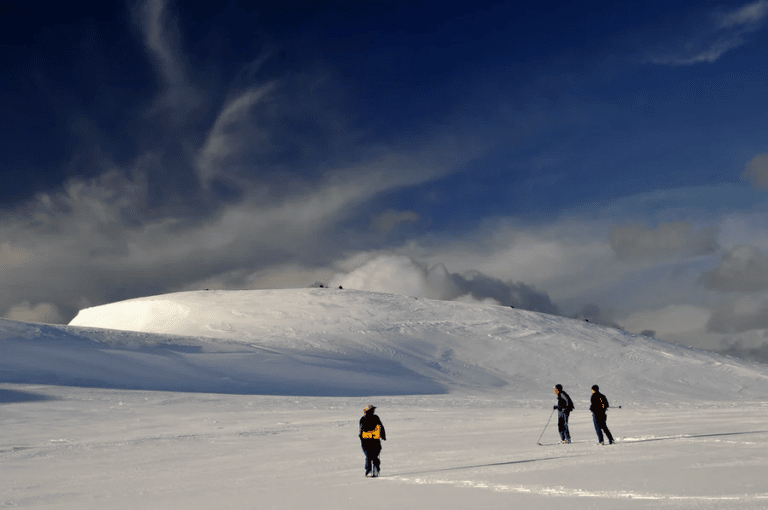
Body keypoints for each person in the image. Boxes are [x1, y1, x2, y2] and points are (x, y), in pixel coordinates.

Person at [359, 404, 386, 477]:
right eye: (372, 410)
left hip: (371, 441)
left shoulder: (372, 418)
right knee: (371, 456)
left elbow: (381, 427)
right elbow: (381, 427)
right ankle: (372, 470)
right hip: (370, 442)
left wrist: (383, 435)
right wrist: (382, 435)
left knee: (371, 456)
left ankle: (373, 470)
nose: (373, 411)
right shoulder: (366, 419)